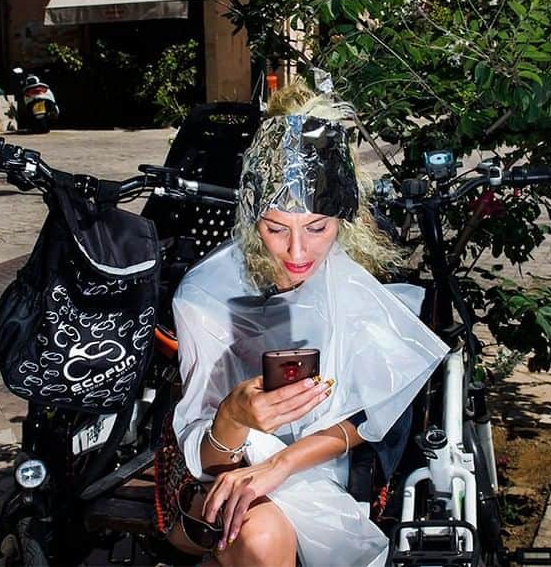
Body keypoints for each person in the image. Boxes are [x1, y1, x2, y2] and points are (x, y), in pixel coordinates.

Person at [167, 80, 448, 567]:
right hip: (216, 476)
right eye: (276, 229)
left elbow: (371, 414)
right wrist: (234, 416)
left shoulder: (352, 286)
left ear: (345, 219)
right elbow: (206, 462)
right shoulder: (207, 296)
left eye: (317, 228)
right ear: (253, 218)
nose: (298, 253)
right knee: (259, 536)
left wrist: (283, 463)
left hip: (318, 472)